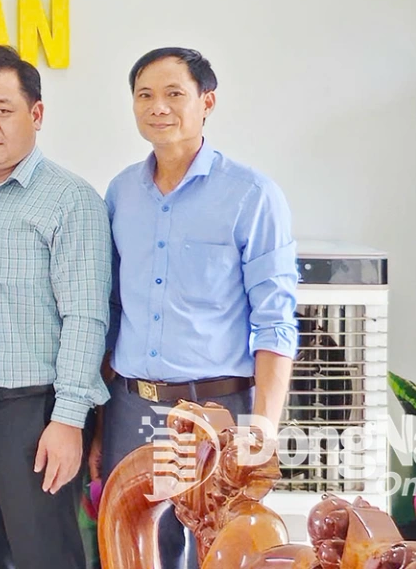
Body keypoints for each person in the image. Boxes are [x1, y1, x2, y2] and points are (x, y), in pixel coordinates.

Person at [95, 46, 298, 568]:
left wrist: (264, 430)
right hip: (133, 406)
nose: (157, 107)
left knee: (221, 551)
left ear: (206, 101)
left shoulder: (252, 195)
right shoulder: (120, 193)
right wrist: (97, 422)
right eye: (144, 95)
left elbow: (275, 320)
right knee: (137, 550)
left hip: (219, 410)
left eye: (173, 94)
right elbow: (110, 309)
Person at [0, 45, 111, 569]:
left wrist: (67, 421)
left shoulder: (69, 199)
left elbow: (86, 316)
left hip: (34, 415)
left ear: (35, 114)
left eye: (2, 109)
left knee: (48, 558)